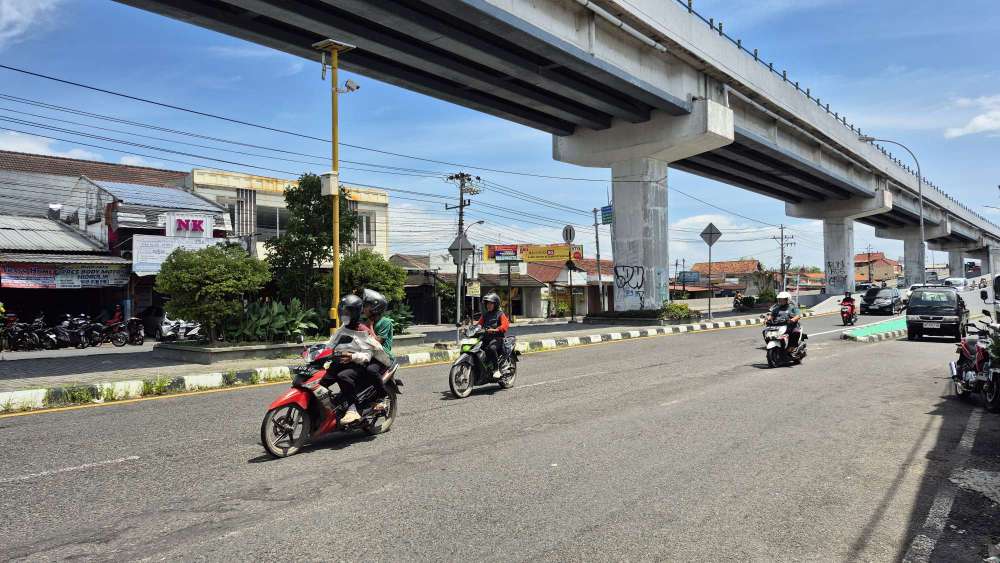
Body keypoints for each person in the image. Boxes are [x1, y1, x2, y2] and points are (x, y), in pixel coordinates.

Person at [322, 294, 392, 424]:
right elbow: (330, 344)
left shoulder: (363, 330)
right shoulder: (342, 328)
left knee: (343, 376)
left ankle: (353, 408)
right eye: (342, 311)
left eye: (347, 312)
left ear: (354, 313)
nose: (344, 315)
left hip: (363, 362)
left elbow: (369, 354)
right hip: (344, 360)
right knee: (322, 379)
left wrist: (352, 356)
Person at [477, 292, 510, 378]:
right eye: (487, 303)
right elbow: (479, 324)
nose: (488, 305)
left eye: (491, 303)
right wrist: (470, 329)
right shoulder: (485, 315)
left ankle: (496, 369)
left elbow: (505, 325)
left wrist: (496, 329)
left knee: (491, 348)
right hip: (485, 338)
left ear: (495, 304)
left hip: (497, 338)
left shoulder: (500, 314)